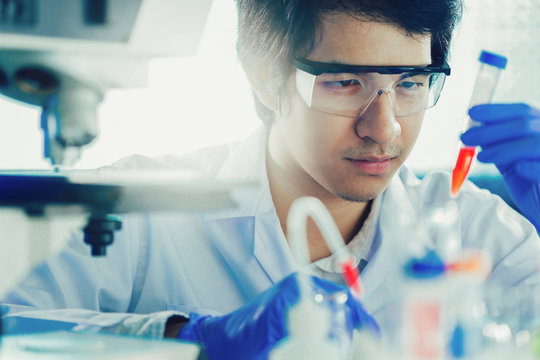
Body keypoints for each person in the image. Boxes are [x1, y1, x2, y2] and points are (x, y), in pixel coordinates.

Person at [3, 0, 540, 358]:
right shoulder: (143, 210)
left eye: (410, 83)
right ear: (263, 75)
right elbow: (12, 325)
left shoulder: (476, 227)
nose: (384, 128)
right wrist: (188, 338)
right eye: (344, 82)